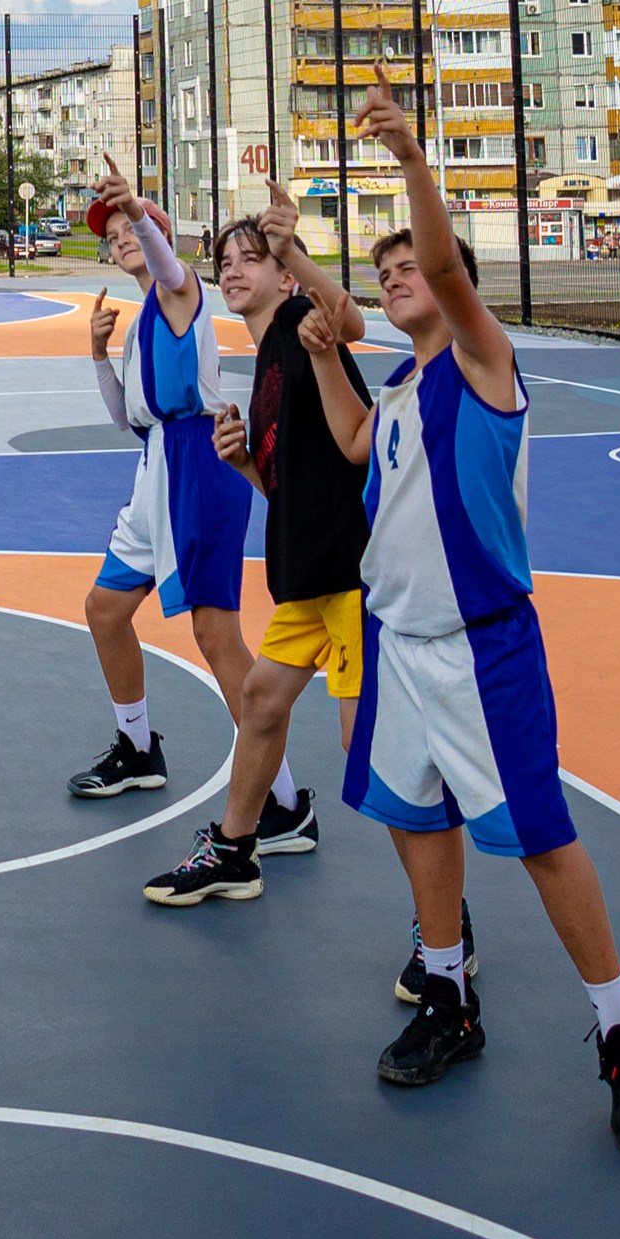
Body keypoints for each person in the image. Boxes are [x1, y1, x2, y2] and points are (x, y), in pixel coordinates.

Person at [301, 78, 620, 1160]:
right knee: (418, 821)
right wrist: (327, 348)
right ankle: (451, 997)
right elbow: (352, 447)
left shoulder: (482, 364)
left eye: (408, 265)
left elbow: (452, 269)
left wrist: (416, 166)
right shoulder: (406, 395)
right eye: (382, 274)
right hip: (398, 645)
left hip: (485, 651)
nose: (397, 277)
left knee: (543, 843)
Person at [141, 192, 370, 903]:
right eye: (225, 262)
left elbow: (352, 320)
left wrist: (292, 243)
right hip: (308, 573)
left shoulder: (303, 323)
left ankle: (445, 926)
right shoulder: (267, 364)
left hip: (355, 573)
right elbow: (290, 488)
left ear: (286, 278)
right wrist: (244, 462)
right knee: (262, 700)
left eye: (252, 259)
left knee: (368, 751)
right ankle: (236, 851)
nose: (233, 271)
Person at [68, 165, 252, 797]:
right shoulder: (144, 316)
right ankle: (139, 747)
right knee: (104, 610)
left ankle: (282, 798)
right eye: (111, 231)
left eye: (129, 227)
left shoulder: (180, 292)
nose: (119, 236)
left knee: (215, 634)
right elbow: (126, 419)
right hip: (156, 465)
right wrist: (97, 354)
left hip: (196, 464)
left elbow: (166, 264)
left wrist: (142, 217)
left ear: (159, 237)